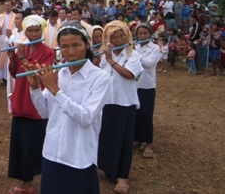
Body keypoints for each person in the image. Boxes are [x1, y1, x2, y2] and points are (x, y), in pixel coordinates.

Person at [26, 21, 110, 193]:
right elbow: (44, 113)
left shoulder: (100, 77)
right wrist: (35, 87)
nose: (70, 52)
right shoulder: (59, 73)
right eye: (64, 46)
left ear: (87, 45)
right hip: (52, 151)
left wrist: (56, 90)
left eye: (76, 45)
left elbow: (86, 118)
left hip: (79, 156)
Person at [6, 15, 56, 194]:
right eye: (30, 31)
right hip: (20, 97)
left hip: (36, 100)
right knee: (20, 143)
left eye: (37, 30)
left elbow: (36, 73)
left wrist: (21, 56)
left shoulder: (48, 51)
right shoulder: (23, 49)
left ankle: (30, 181)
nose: (34, 34)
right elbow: (15, 73)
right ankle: (25, 180)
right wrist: (13, 58)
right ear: (25, 32)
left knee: (33, 143)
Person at [98, 20, 143, 194]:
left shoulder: (133, 55)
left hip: (125, 103)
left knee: (124, 140)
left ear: (127, 36)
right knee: (109, 138)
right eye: (113, 37)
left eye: (121, 36)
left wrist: (111, 61)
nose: (118, 39)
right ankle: (110, 170)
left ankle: (123, 176)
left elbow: (130, 75)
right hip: (108, 103)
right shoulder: (106, 55)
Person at [134, 23, 161, 160]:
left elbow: (149, 63)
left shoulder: (155, 48)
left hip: (147, 86)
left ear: (150, 34)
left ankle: (148, 143)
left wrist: (134, 54)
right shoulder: (136, 46)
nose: (142, 36)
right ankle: (138, 139)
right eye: (140, 34)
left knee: (146, 114)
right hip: (134, 85)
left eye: (145, 33)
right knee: (136, 114)